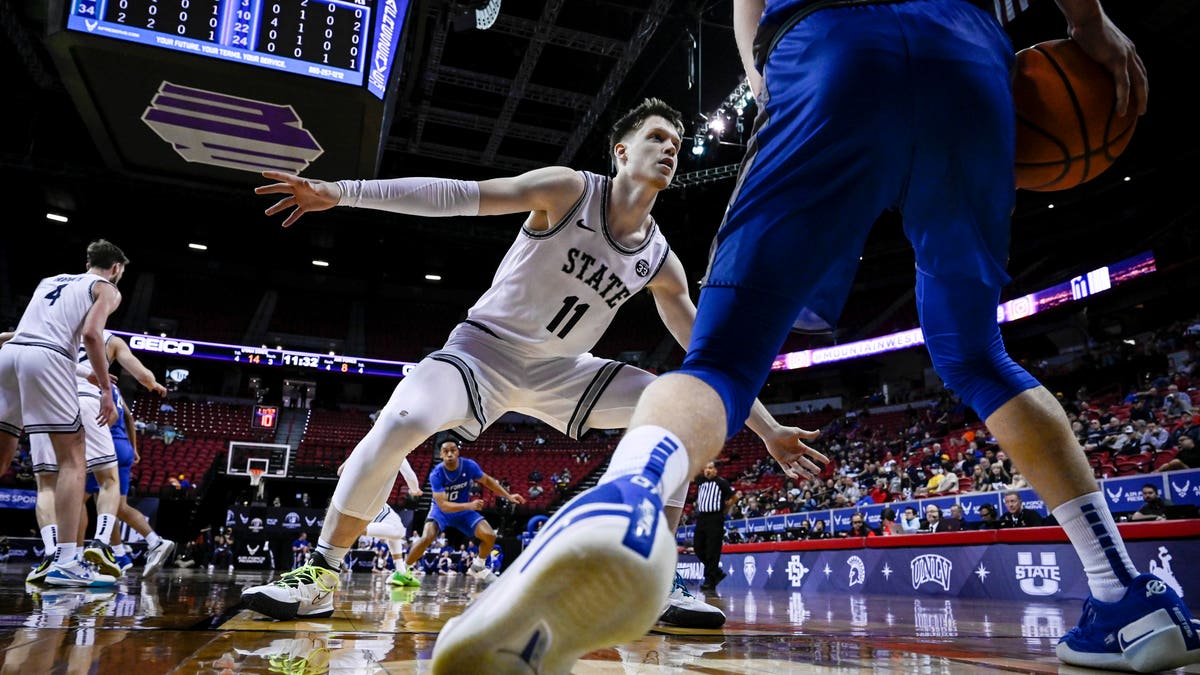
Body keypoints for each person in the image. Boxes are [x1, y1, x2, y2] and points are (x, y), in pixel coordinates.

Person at [429, 2, 1197, 673]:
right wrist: (1086, 22)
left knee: (724, 360)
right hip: (969, 59)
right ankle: (1124, 593)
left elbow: (748, 11)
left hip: (830, 40)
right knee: (977, 356)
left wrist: (767, 77)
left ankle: (625, 499)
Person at [242, 98, 810, 629]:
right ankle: (320, 572)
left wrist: (769, 430)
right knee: (400, 424)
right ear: (621, 151)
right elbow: (455, 194)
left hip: (564, 371)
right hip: (481, 350)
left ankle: (652, 581)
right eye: (656, 137)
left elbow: (708, 355)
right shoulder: (569, 191)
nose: (669, 150)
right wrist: (341, 192)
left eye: (677, 145)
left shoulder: (660, 259)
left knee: (681, 408)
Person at [0, 239, 126, 587]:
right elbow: (90, 334)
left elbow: (24, 335)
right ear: (116, 268)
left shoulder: (50, 281)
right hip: (48, 359)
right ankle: (67, 561)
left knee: (2, 458)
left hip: (11, 354)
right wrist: (104, 387)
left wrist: (80, 371)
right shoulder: (107, 289)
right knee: (73, 459)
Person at [383, 439, 519, 592]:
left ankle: (478, 566)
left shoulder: (469, 466)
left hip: (463, 512)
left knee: (489, 535)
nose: (449, 454)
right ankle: (402, 571)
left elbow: (487, 480)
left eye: (453, 450)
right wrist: (469, 505)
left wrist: (508, 496)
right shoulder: (436, 474)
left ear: (457, 452)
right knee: (427, 536)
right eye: (446, 451)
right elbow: (443, 505)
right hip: (441, 511)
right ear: (441, 454)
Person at [690, 462, 737, 595]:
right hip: (701, 518)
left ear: (716, 470)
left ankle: (710, 580)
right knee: (698, 548)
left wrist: (724, 511)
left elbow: (734, 497)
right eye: (706, 468)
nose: (707, 471)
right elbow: (691, 475)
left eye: (710, 468)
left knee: (712, 550)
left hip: (715, 518)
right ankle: (716, 572)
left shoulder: (721, 483)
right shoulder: (701, 481)